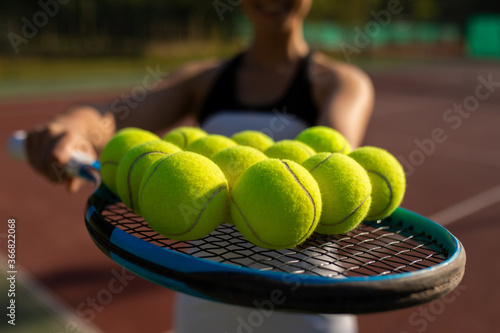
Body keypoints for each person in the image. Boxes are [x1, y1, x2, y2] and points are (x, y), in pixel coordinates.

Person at [25, 0, 374, 332]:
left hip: (306, 298)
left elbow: (337, 164)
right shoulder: (204, 78)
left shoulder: (339, 82)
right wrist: (73, 126)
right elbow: (114, 115)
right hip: (207, 296)